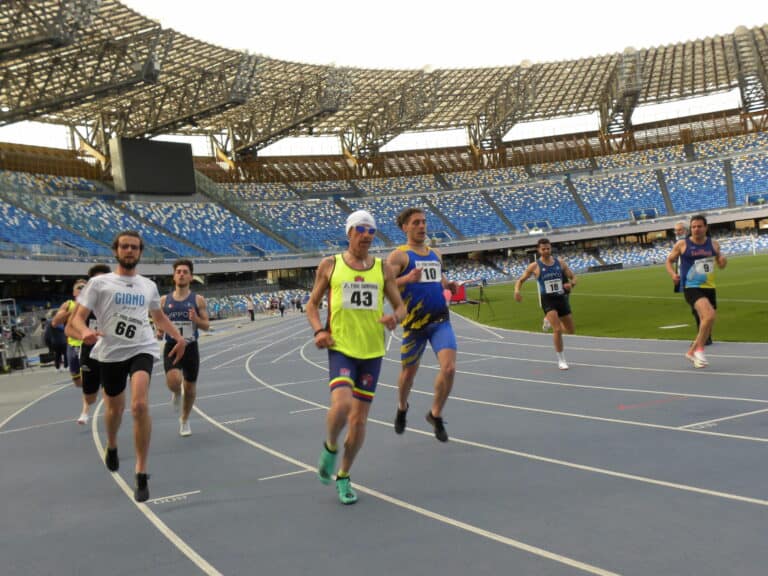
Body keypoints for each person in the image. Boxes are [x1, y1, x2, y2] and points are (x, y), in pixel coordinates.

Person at [70, 231, 186, 502]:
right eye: (125, 246)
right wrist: (85, 331)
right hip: (110, 352)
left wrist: (178, 337)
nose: (130, 251)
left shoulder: (148, 286)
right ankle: (111, 444)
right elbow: (77, 319)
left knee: (140, 405)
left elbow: (158, 317)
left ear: (140, 252)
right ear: (116, 251)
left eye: (134, 247)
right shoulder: (100, 283)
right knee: (114, 409)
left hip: (141, 348)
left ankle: (141, 472)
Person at [306, 210, 405, 505]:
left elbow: (401, 307)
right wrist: (317, 332)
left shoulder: (383, 268)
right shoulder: (330, 265)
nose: (366, 235)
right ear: (349, 232)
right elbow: (312, 305)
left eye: (371, 231)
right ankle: (330, 446)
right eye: (360, 229)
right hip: (341, 347)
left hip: (372, 351)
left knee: (359, 421)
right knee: (343, 403)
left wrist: (394, 318)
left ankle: (345, 476)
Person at [387, 207, 458, 442]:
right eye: (416, 222)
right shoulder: (399, 256)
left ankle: (435, 414)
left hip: (440, 321)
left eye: (424, 222)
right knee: (408, 375)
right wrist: (407, 278)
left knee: (449, 369)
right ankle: (401, 406)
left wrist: (449, 286)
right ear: (404, 227)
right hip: (414, 326)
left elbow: (438, 277)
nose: (421, 226)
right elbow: (384, 284)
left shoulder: (435, 253)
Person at [665, 214, 726, 368]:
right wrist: (673, 274)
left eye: (699, 226)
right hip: (691, 287)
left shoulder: (714, 244)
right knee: (709, 315)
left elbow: (721, 264)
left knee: (709, 321)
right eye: (693, 227)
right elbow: (669, 261)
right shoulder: (682, 244)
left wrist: (722, 261)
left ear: (706, 227)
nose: (696, 229)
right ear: (690, 229)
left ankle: (691, 352)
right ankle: (699, 349)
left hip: (709, 287)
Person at [158, 258, 210, 437]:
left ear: (190, 277)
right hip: (172, 346)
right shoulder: (164, 300)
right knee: (173, 381)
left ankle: (185, 419)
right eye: (178, 271)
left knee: (189, 388)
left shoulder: (198, 299)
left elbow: (206, 326)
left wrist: (196, 319)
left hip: (190, 348)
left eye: (185, 272)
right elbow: (159, 321)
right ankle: (175, 393)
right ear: (174, 276)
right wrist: (159, 331)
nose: (181, 274)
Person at [514, 238, 577, 370]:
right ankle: (561, 360)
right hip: (548, 300)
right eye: (543, 249)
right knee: (557, 330)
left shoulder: (560, 263)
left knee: (570, 330)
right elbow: (520, 280)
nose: (546, 251)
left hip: (561, 299)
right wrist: (517, 291)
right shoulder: (534, 266)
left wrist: (570, 284)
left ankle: (547, 320)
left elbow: (573, 277)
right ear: (539, 250)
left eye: (548, 248)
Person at [64, 265, 111, 425]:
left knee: (110, 392)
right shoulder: (83, 304)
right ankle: (87, 407)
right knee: (90, 396)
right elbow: (69, 329)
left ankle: (110, 419)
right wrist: (85, 335)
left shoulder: (116, 299)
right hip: (90, 351)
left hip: (112, 351)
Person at [52, 279, 88, 414]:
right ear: (74, 292)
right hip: (72, 346)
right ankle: (91, 388)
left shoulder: (93, 304)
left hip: (88, 346)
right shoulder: (68, 305)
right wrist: (73, 311)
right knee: (78, 382)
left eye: (84, 287)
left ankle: (85, 411)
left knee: (87, 379)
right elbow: (55, 323)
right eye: (79, 288)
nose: (81, 289)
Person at [673, 220, 711, 345]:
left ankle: (704, 337)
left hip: (696, 279)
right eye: (675, 230)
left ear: (685, 229)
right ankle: (704, 336)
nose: (676, 232)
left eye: (679, 230)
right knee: (696, 310)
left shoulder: (693, 242)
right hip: (685, 278)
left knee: (699, 310)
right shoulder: (681, 243)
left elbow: (705, 259)